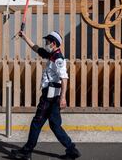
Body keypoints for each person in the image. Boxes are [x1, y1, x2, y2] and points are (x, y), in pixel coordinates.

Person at [11, 31, 81, 160]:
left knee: (36, 122)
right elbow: (37, 48)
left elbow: (64, 78)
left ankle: (26, 152)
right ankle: (72, 150)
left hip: (50, 97)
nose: (46, 43)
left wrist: (63, 98)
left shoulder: (58, 58)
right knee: (55, 125)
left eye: (47, 42)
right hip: (52, 96)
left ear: (53, 43)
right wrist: (25, 36)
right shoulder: (51, 55)